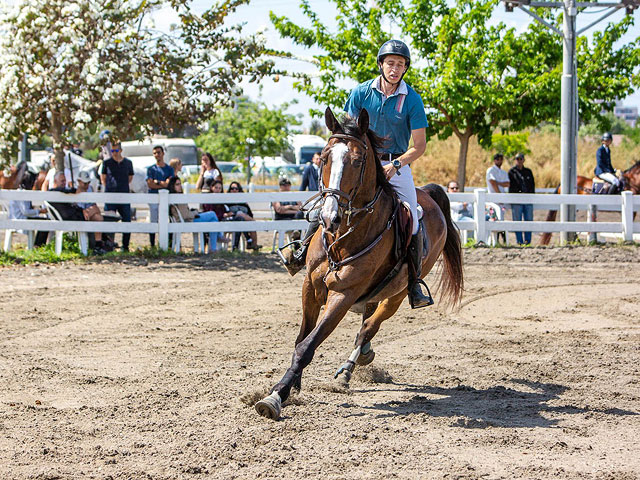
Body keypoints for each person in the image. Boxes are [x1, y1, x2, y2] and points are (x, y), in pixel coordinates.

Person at [282, 39, 433, 308]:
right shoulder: (361, 92)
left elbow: (419, 146)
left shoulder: (412, 100)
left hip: (394, 165)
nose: (394, 69)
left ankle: (414, 284)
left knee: (412, 216)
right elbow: (346, 131)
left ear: (405, 68)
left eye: (400, 64)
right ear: (381, 64)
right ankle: (300, 250)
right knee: (327, 204)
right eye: (390, 63)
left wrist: (395, 165)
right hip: (358, 163)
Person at [167, 176, 222, 252]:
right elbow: (186, 215)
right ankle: (219, 236)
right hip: (187, 222)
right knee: (212, 214)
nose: (180, 186)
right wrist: (195, 212)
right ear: (172, 186)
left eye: (180, 184)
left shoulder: (173, 197)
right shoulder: (178, 198)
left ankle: (213, 248)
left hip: (185, 220)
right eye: (177, 184)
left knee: (213, 222)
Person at [99, 141, 134, 251]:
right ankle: (109, 244)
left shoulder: (128, 163)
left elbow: (130, 177)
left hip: (124, 195)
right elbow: (103, 178)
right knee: (109, 220)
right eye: (112, 151)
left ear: (121, 150)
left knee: (127, 220)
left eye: (116, 150)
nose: (114, 153)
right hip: (110, 196)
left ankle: (125, 245)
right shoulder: (107, 163)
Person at [8, 173, 49, 247]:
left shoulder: (20, 191)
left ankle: (37, 245)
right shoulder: (22, 193)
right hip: (21, 219)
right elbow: (26, 212)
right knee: (46, 223)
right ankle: (38, 245)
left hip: (18, 218)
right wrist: (39, 211)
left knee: (44, 221)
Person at [146, 145, 175, 247]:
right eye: (154, 153)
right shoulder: (150, 169)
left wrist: (157, 182)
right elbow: (150, 184)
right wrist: (161, 183)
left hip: (166, 198)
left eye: (158, 152)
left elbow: (168, 184)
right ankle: (152, 244)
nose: (157, 155)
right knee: (153, 220)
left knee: (167, 220)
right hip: (153, 197)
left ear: (163, 153)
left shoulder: (169, 169)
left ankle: (167, 243)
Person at [75, 170, 108, 253]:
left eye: (88, 182)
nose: (87, 185)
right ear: (79, 181)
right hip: (80, 213)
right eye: (85, 183)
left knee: (98, 218)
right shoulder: (75, 190)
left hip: (89, 212)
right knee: (95, 209)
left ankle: (98, 244)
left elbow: (93, 203)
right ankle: (103, 239)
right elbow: (75, 206)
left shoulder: (90, 189)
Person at [508, 153, 536, 245]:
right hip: (516, 199)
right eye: (517, 159)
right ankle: (519, 241)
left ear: (523, 160)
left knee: (529, 220)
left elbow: (532, 185)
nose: (519, 161)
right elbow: (511, 186)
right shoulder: (512, 172)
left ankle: (528, 241)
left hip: (528, 199)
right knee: (517, 220)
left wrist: (530, 196)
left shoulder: (528, 171)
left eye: (520, 159)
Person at [226, 181, 261, 250]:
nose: (234, 190)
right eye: (232, 188)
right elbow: (225, 212)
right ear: (230, 190)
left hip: (246, 221)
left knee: (250, 223)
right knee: (241, 215)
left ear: (239, 190)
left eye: (236, 188)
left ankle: (254, 245)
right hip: (233, 221)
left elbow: (250, 214)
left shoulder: (244, 202)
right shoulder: (227, 201)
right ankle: (248, 240)